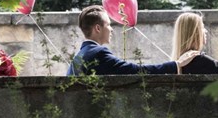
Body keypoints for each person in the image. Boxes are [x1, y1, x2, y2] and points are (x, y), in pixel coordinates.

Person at [67, 5, 199, 76]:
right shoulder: (99, 53)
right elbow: (135, 71)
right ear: (97, 28)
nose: (112, 29)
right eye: (108, 25)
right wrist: (176, 64)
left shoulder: (79, 57)